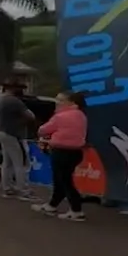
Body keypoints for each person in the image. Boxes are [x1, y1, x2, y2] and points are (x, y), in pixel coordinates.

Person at [33, 91, 89, 221]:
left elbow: (43, 130)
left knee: (65, 181)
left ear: (71, 102)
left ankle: (76, 210)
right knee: (61, 180)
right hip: (76, 152)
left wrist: (46, 134)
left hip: (61, 151)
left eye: (61, 100)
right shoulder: (81, 115)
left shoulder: (60, 116)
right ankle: (52, 205)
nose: (58, 102)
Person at [0, 79, 37, 200]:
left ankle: (7, 188)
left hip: (3, 132)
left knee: (7, 163)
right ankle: (23, 190)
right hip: (13, 134)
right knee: (20, 163)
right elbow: (31, 116)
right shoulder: (15, 101)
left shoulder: (2, 100)